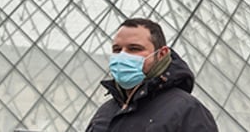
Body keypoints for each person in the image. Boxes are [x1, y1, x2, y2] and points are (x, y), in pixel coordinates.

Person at [86, 17, 219, 131]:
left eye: (134, 49)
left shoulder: (187, 111)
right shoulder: (105, 112)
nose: (122, 55)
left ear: (161, 54)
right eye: (117, 49)